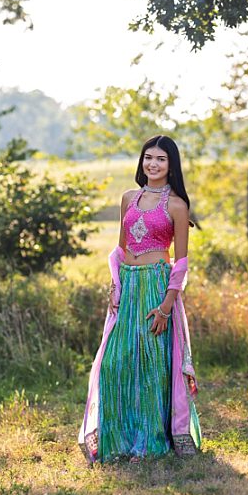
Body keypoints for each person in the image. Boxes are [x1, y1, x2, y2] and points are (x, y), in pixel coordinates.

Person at [78, 135, 203, 462]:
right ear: (141, 161)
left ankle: (148, 444)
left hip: (155, 287)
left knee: (150, 367)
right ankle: (117, 440)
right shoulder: (128, 198)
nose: (153, 164)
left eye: (161, 159)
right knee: (114, 363)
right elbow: (120, 249)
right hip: (129, 286)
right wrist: (115, 286)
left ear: (171, 165)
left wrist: (165, 307)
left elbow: (182, 263)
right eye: (149, 157)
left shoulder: (177, 205)